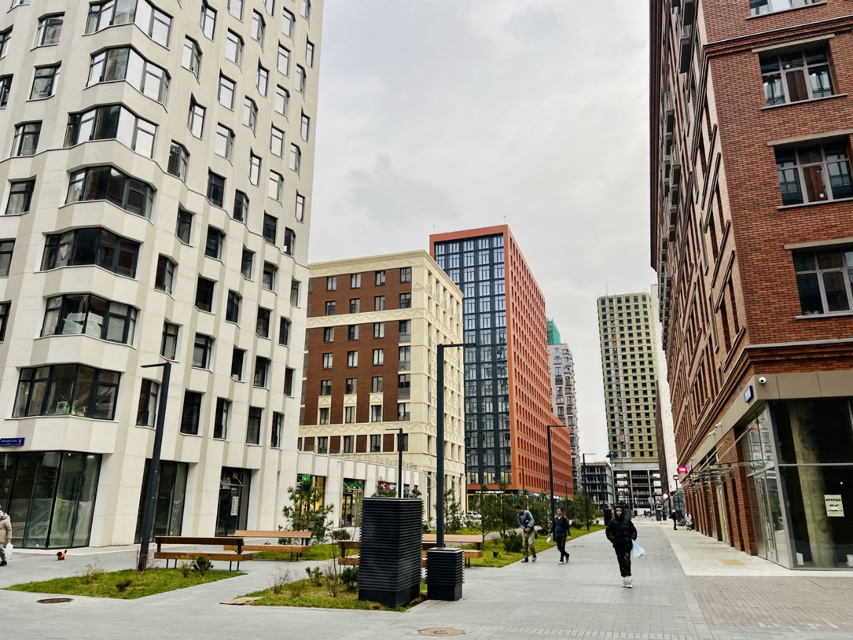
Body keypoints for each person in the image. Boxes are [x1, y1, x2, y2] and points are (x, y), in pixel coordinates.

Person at [605, 504, 637, 588]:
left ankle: (628, 577)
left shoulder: (627, 521)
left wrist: (631, 539)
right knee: (621, 560)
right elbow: (608, 532)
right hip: (618, 545)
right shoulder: (612, 522)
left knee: (627, 560)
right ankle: (624, 577)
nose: (618, 512)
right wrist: (613, 539)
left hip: (627, 544)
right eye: (617, 511)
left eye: (620, 511)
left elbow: (633, 531)